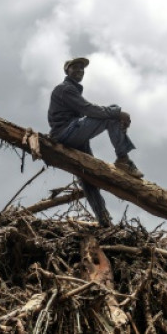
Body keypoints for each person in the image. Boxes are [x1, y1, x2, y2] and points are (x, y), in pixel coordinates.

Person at [47, 56, 143, 227]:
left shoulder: (73, 90)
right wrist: (118, 113)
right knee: (111, 113)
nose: (80, 70)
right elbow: (88, 109)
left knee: (88, 176)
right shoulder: (65, 89)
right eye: (75, 67)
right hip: (64, 134)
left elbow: (86, 112)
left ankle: (103, 218)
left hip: (73, 135)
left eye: (82, 68)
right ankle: (123, 159)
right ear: (67, 71)